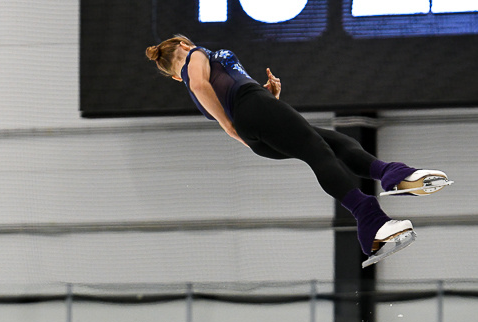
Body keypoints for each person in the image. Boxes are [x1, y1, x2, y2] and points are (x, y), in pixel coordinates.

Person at [145, 36, 453, 267]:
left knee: (330, 143)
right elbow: (204, 85)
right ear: (184, 45)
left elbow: (221, 92)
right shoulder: (196, 55)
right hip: (250, 108)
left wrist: (265, 99)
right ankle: (371, 220)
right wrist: (230, 124)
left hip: (255, 124)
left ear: (171, 76)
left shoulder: (188, 80)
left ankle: (393, 175)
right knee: (319, 150)